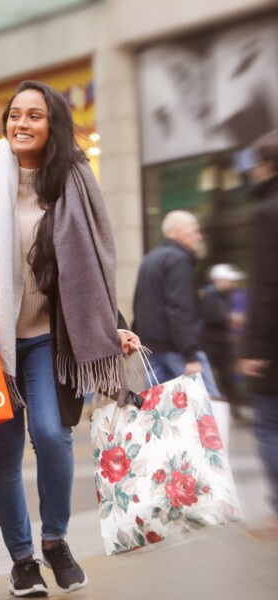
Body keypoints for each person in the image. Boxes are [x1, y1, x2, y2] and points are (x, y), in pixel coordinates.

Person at [0, 80, 139, 597]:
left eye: (34, 116)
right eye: (14, 115)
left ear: (54, 125)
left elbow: (88, 264)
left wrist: (113, 321)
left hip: (49, 337)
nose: (21, 124)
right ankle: (22, 560)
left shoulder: (72, 178)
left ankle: (55, 541)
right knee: (2, 450)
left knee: (51, 434)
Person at [132, 211, 227, 449]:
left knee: (161, 415)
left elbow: (138, 304)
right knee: (209, 407)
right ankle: (212, 468)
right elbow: (180, 308)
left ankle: (174, 468)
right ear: (176, 232)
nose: (199, 236)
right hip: (177, 350)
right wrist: (190, 354)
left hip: (152, 351)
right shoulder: (178, 259)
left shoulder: (150, 259)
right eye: (193, 230)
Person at [241, 129, 278, 539]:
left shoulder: (268, 210)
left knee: (267, 423)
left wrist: (254, 347)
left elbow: (267, 284)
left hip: (274, 342)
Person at [201, 264, 246, 417]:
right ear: (219, 280)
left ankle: (234, 412)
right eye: (228, 280)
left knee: (228, 379)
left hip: (222, 345)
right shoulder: (209, 296)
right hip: (210, 345)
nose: (231, 284)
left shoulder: (225, 296)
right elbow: (212, 316)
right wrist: (229, 319)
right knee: (208, 380)